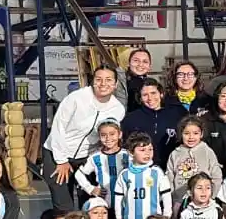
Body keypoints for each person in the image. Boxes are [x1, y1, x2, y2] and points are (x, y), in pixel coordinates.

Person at [43, 65, 126, 210]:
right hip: (57, 153)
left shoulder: (117, 109)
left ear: (115, 84)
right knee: (64, 206)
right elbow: (58, 128)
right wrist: (61, 160)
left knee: (90, 203)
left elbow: (108, 135)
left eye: (108, 80)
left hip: (87, 156)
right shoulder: (76, 98)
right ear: (92, 81)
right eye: (99, 79)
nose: (103, 84)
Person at [121, 78, 186, 168]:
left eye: (153, 93)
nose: (150, 98)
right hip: (142, 168)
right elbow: (125, 145)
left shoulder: (176, 114)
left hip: (172, 166)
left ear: (161, 94)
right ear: (140, 98)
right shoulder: (131, 119)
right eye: (145, 95)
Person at [118, 47, 154, 112]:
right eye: (136, 60)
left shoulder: (148, 82)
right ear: (128, 63)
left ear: (149, 66)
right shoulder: (119, 80)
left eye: (145, 61)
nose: (140, 64)